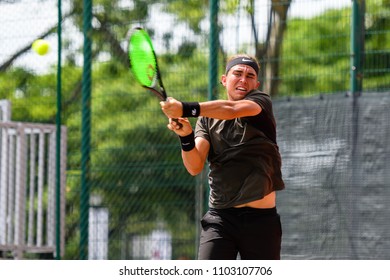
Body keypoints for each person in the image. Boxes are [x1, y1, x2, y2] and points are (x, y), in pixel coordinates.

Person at [160, 54, 285, 260]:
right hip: (221, 219)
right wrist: (186, 137)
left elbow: (231, 109)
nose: (243, 79)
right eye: (237, 73)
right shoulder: (206, 120)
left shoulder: (261, 102)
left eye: (250, 76)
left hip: (261, 222)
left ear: (256, 84)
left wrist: (184, 108)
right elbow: (194, 166)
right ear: (224, 79)